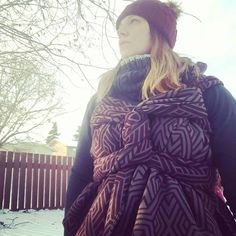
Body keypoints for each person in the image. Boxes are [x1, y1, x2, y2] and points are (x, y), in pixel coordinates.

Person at [63, 0, 236, 235]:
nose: (122, 31)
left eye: (133, 21)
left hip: (192, 223)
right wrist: (70, 227)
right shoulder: (100, 100)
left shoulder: (207, 92)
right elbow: (82, 172)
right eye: (119, 26)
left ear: (158, 30)